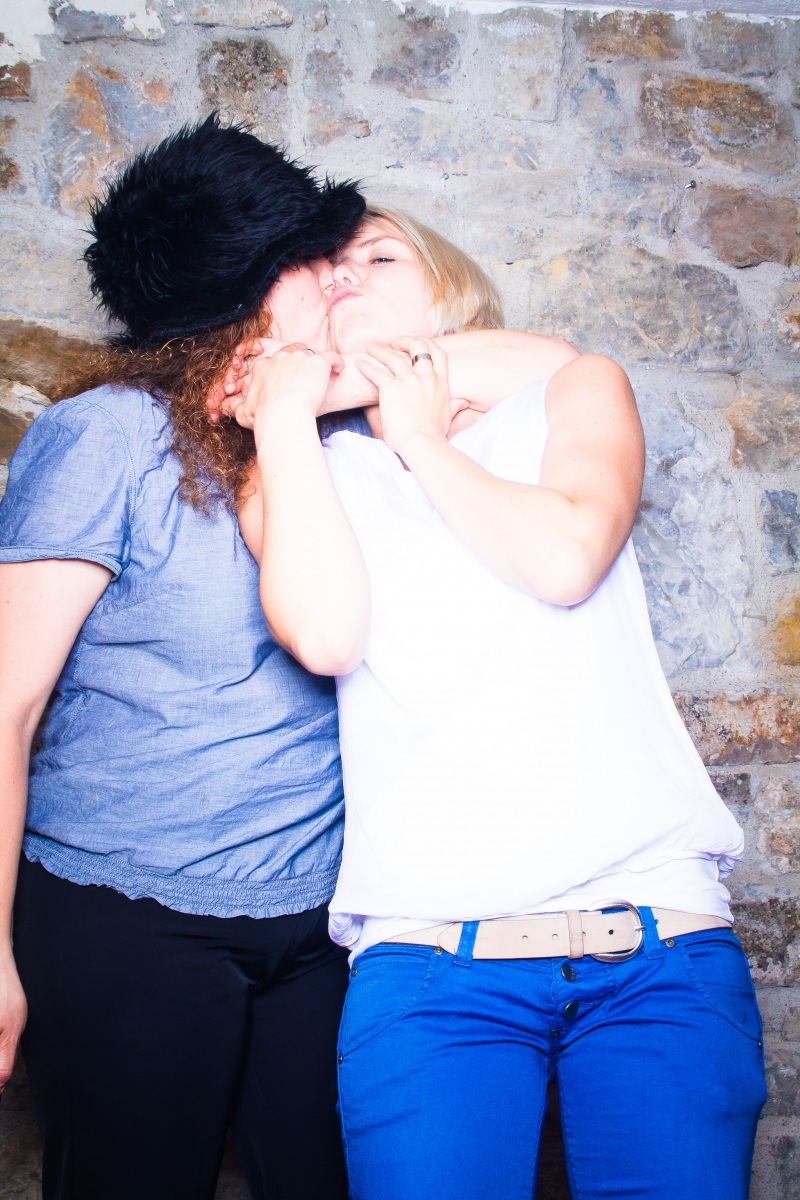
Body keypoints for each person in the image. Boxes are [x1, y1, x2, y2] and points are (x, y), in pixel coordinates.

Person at [0, 121, 575, 1200]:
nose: (337, 275)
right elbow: (7, 704)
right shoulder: (109, 435)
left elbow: (558, 373)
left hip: (318, 925)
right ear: (250, 290)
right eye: (313, 259)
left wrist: (306, 390)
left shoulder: (345, 435)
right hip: (127, 916)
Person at [231, 208, 768, 1200]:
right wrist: (284, 408)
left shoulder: (571, 391)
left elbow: (563, 559)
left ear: (450, 287)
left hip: (656, 944)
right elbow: (327, 636)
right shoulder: (301, 466)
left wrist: (420, 439)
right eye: (323, 267)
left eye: (377, 255)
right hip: (428, 966)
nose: (343, 273)